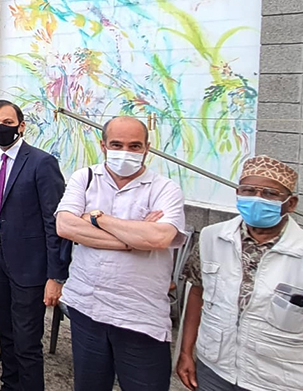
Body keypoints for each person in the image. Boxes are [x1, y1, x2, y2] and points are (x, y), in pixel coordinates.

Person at [55, 116, 186, 391]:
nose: (125, 152)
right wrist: (132, 240)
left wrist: (98, 218)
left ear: (146, 148)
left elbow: (160, 237)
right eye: (116, 144)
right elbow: (65, 225)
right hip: (88, 309)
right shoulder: (85, 178)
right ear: (103, 146)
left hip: (139, 318)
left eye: (134, 146)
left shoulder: (165, 189)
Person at [177, 156, 302, 391]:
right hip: (215, 368)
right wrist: (185, 351)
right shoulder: (212, 237)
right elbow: (197, 292)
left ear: (291, 203)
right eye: (248, 191)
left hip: (278, 378)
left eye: (269, 194)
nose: (257, 199)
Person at [0, 100, 69, 391]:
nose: (0, 129)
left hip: (29, 265)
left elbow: (53, 222)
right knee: (5, 331)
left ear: (21, 125)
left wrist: (56, 275)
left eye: (7, 123)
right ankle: (10, 385)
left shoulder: (42, 163)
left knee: (27, 340)